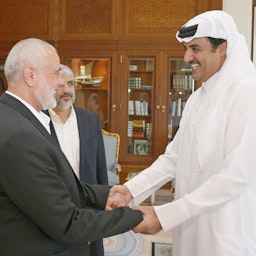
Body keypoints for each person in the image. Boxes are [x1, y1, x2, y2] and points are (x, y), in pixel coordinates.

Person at [109, 10, 256, 256]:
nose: (187, 57)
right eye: (186, 48)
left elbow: (236, 176)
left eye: (195, 48)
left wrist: (164, 215)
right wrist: (131, 190)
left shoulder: (246, 93)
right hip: (190, 226)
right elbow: (174, 157)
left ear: (222, 49)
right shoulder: (198, 98)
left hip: (225, 232)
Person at [0, 38, 143, 256]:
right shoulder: (19, 134)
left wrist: (105, 194)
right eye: (56, 72)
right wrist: (136, 216)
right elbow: (66, 223)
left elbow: (58, 185)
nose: (60, 82)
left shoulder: (20, 118)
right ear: (30, 75)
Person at [46, 64, 108, 256]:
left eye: (70, 84)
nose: (66, 90)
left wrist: (103, 201)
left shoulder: (90, 120)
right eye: (59, 85)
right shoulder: (38, 121)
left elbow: (100, 166)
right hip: (53, 206)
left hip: (87, 203)